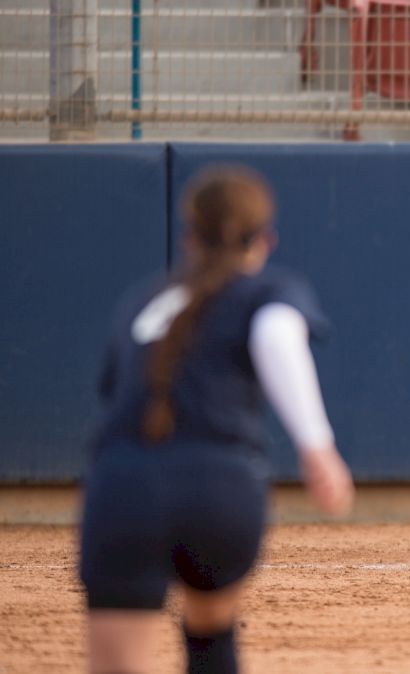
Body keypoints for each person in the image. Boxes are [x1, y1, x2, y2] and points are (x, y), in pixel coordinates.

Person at [78, 166, 355, 674]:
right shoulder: (267, 289)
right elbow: (276, 335)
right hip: (222, 488)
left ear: (189, 237)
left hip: (124, 486)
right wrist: (318, 448)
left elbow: (111, 392)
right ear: (265, 240)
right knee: (210, 631)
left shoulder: (142, 299)